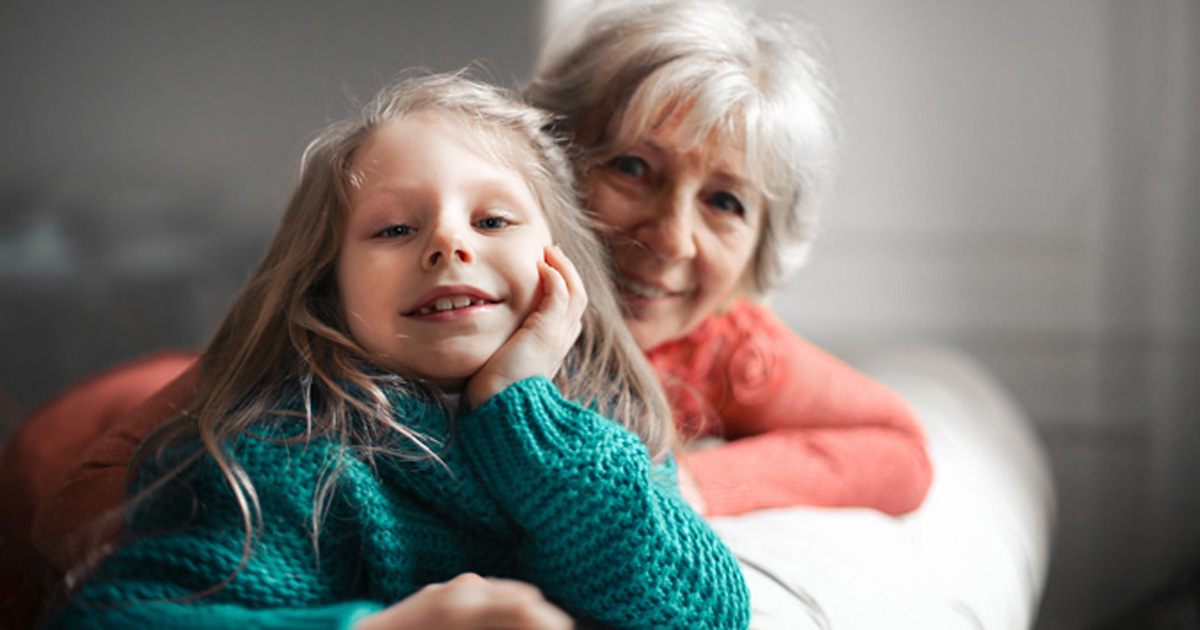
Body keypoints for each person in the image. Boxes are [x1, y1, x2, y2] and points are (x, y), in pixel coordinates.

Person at [43, 73, 750, 630]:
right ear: (326, 287)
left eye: (493, 219)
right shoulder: (294, 456)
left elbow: (707, 613)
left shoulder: (600, 427)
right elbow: (112, 619)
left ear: (562, 263)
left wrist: (520, 409)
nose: (449, 243)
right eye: (393, 230)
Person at [526, 0, 932, 517]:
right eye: (633, 167)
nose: (672, 240)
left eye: (724, 202)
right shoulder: (475, 283)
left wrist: (689, 482)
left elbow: (900, 450)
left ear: (760, 247)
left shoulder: (726, 350)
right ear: (548, 156)